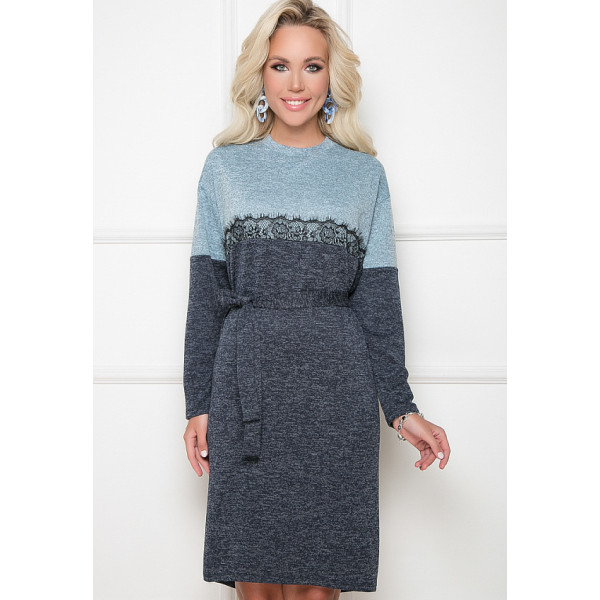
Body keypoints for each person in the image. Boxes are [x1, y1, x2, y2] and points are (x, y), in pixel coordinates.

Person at [182, 1, 450, 598]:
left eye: (312, 66)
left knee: (318, 585)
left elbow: (378, 303)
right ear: (260, 74)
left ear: (333, 76)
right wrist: (198, 403)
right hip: (246, 385)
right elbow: (206, 295)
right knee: (254, 580)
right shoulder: (225, 169)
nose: (296, 84)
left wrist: (400, 407)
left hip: (336, 395)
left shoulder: (364, 176)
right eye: (280, 66)